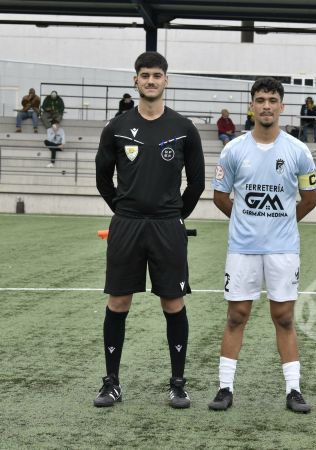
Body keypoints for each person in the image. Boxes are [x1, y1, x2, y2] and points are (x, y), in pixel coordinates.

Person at [94, 51, 205, 409]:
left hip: (167, 226)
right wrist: (124, 210)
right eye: (145, 75)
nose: (151, 81)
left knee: (173, 302)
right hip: (126, 224)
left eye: (157, 75)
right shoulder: (116, 127)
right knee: (119, 301)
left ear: (166, 80)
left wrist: (173, 215)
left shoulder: (184, 128)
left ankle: (177, 383)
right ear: (135, 81)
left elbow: (197, 183)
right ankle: (111, 382)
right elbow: (102, 178)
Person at [207, 77, 316, 413]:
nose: (266, 105)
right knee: (236, 315)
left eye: (272, 99)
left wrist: (281, 224)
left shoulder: (298, 151)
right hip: (242, 249)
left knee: (283, 317)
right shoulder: (233, 149)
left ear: (282, 106)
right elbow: (220, 196)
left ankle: (294, 390)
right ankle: (225, 388)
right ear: (251, 105)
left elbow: (310, 200)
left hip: (283, 249)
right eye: (260, 100)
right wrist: (245, 221)